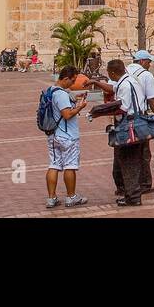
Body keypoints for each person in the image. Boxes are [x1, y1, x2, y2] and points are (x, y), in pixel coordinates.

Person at [105, 59, 150, 207]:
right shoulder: (130, 80)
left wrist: (102, 110)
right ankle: (132, 194)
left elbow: (123, 108)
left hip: (128, 126)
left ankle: (133, 196)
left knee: (128, 162)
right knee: (131, 161)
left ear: (112, 72)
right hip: (136, 123)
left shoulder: (124, 85)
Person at [44, 65, 90, 209]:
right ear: (65, 79)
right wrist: (80, 107)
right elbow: (67, 114)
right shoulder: (62, 95)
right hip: (67, 136)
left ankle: (51, 198)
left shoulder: (51, 91)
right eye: (72, 80)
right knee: (70, 166)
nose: (73, 83)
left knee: (54, 165)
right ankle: (71, 197)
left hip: (53, 135)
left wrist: (74, 98)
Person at [127, 51, 154, 189]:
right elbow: (151, 99)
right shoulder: (146, 75)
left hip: (123, 116)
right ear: (141, 61)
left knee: (124, 152)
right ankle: (144, 183)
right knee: (143, 151)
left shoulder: (123, 71)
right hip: (140, 116)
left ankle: (124, 185)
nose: (150, 64)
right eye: (148, 61)